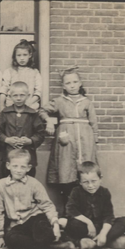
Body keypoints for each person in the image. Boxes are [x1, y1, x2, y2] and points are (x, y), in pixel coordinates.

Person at [39, 66, 99, 212]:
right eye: (68, 83)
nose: (72, 86)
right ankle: (68, 209)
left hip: (85, 140)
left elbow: (93, 122)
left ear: (80, 83)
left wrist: (94, 139)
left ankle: (84, 209)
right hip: (66, 140)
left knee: (84, 171)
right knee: (66, 171)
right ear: (63, 86)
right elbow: (42, 110)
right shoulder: (59, 101)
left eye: (74, 82)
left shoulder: (86, 102)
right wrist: (49, 121)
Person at [0, 149, 76, 249]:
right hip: (17, 225)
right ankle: (53, 246)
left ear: (28, 168)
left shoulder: (34, 183)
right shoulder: (1, 184)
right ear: (8, 166)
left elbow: (47, 205)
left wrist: (54, 223)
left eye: (23, 167)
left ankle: (72, 239)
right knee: (11, 239)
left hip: (34, 219)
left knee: (41, 226)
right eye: (15, 166)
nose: (18, 170)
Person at [59, 161, 125, 249]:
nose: (90, 185)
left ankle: (95, 241)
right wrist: (89, 222)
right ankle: (110, 240)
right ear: (80, 182)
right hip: (85, 228)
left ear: (100, 179)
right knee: (67, 222)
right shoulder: (76, 191)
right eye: (85, 182)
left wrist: (103, 233)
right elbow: (70, 210)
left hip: (101, 226)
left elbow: (108, 216)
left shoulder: (105, 192)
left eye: (94, 181)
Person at [0, 81, 45, 177]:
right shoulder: (5, 113)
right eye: (15, 95)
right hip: (9, 155)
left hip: (28, 156)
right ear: (10, 96)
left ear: (28, 95)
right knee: (8, 180)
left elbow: (40, 133)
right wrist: (7, 139)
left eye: (22, 95)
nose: (18, 98)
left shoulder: (32, 114)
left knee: (28, 181)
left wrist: (30, 141)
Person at [0, 39, 42, 111]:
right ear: (15, 56)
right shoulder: (9, 71)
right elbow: (4, 89)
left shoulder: (35, 72)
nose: (22, 58)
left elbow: (38, 91)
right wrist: (1, 105)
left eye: (25, 55)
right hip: (12, 106)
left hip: (29, 106)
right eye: (19, 55)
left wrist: (29, 103)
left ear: (30, 55)